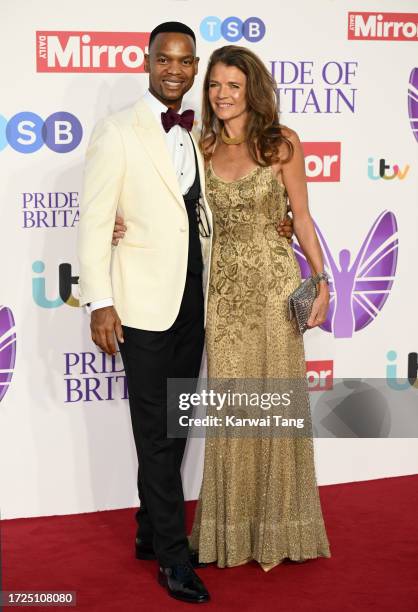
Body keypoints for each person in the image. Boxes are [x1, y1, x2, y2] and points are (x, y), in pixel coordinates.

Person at [114, 44, 331, 571]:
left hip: (276, 289)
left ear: (252, 89)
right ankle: (229, 532)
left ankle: (280, 527)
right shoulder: (199, 144)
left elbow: (300, 217)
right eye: (214, 85)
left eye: (233, 85)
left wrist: (322, 281)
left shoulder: (283, 144)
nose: (222, 94)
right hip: (224, 295)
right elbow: (165, 199)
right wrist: (121, 224)